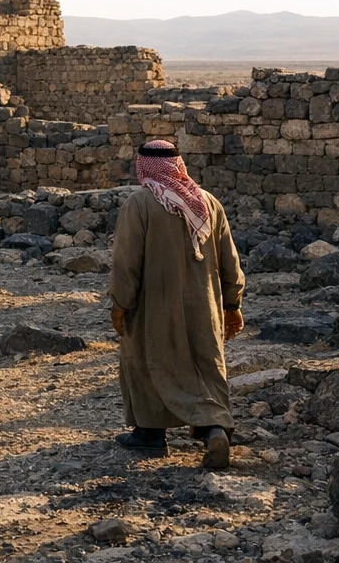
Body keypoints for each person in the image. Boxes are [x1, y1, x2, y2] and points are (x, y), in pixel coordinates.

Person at [108, 139, 245, 468]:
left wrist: (120, 302)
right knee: (205, 364)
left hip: (154, 305)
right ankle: (215, 427)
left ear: (144, 167)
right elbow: (230, 261)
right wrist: (232, 304)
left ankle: (150, 435)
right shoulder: (208, 203)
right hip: (204, 305)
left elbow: (126, 261)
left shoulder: (140, 203)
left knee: (146, 359)